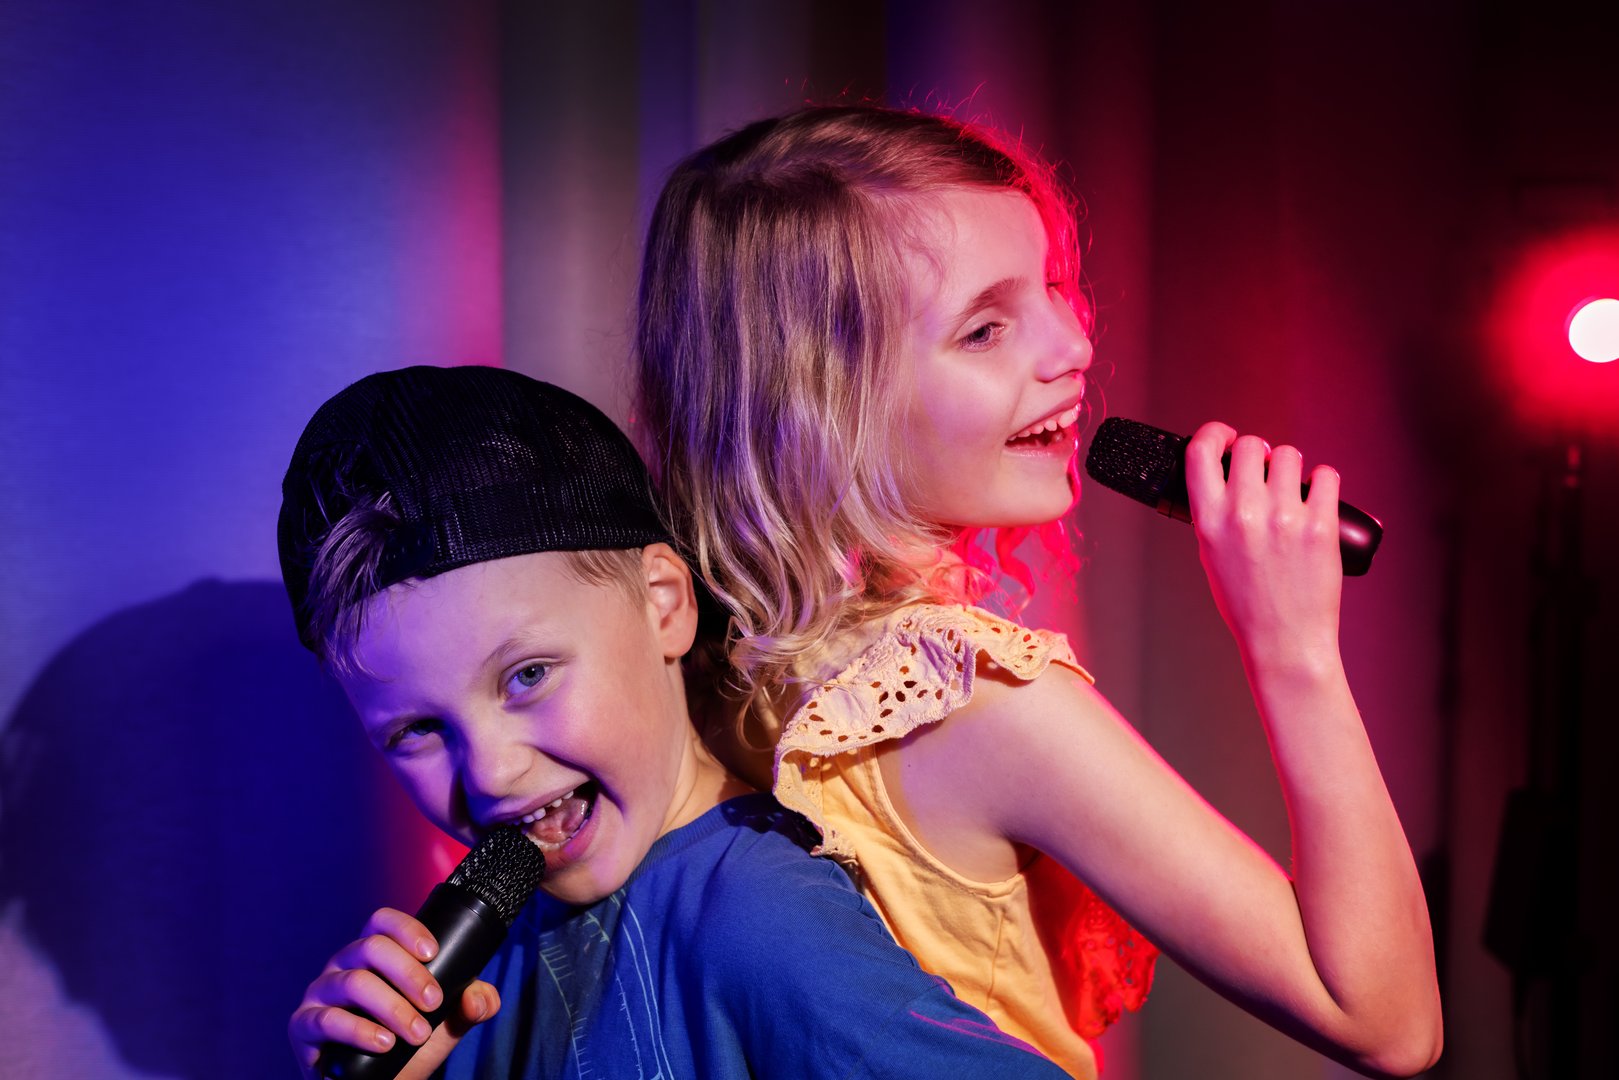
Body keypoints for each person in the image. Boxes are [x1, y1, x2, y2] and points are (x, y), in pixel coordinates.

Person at [632, 104, 1444, 1079]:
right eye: (984, 329)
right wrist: (1293, 646)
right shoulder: (973, 698)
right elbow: (1385, 1021)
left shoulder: (692, 653)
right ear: (816, 406)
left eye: (1057, 288)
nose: (1070, 348)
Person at [277, 365, 1070, 1079]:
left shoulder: (757, 921)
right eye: (416, 730)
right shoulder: (486, 961)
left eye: (527, 676)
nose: (487, 771)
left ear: (663, 604)